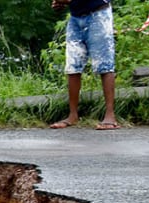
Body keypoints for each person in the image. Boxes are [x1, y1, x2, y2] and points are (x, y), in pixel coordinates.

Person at [50, 0, 119, 130]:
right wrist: (60, 4)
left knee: (104, 64)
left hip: (99, 13)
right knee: (72, 66)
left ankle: (110, 116)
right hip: (75, 17)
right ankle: (73, 115)